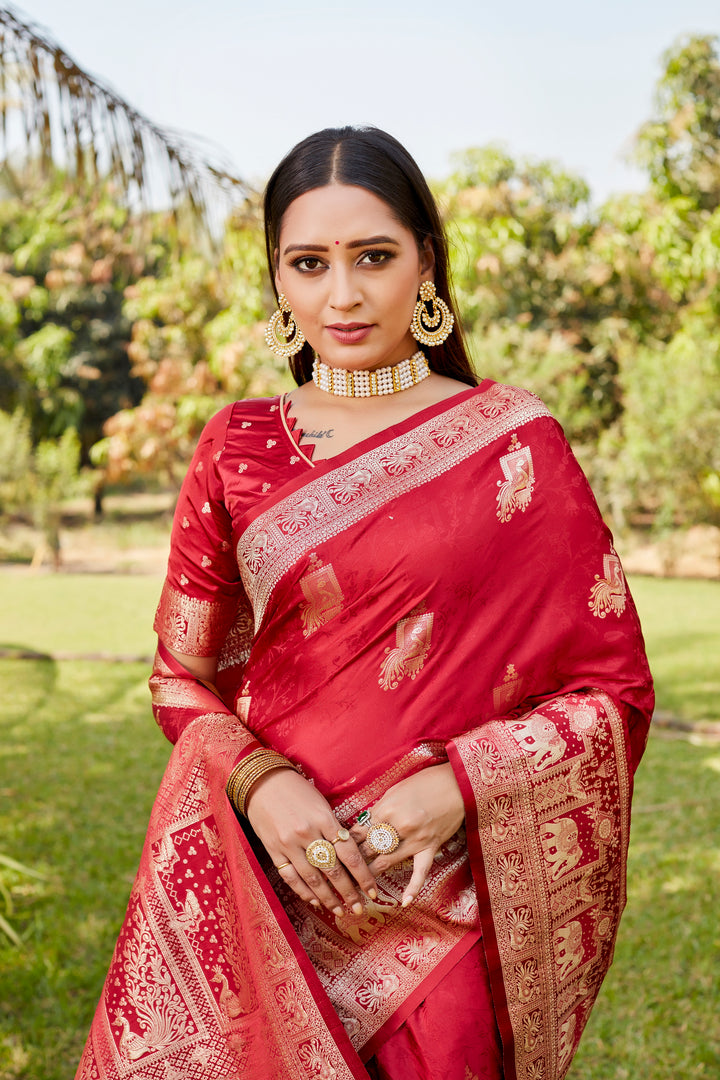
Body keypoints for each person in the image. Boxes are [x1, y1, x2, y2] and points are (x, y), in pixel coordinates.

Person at [76, 126, 654, 1080]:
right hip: (270, 883)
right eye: (310, 264)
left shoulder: (513, 442)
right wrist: (265, 789)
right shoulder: (237, 446)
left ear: (426, 260)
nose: (341, 296)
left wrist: (457, 786)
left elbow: (611, 692)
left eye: (373, 257)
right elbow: (180, 680)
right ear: (278, 279)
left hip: (445, 901)